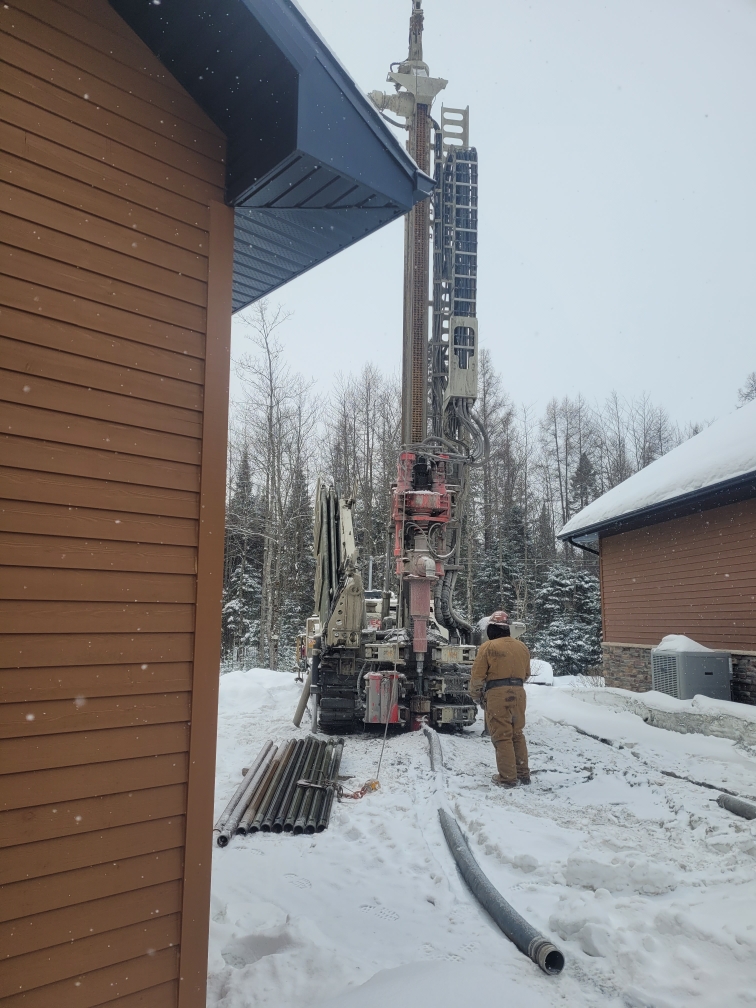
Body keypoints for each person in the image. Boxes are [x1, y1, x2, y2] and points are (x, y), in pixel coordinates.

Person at [470, 611, 531, 788]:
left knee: (502, 736)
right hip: (519, 694)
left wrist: (476, 695)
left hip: (497, 694)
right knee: (517, 734)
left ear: (491, 629)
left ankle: (507, 778)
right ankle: (523, 774)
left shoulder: (488, 647)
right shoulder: (522, 647)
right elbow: (526, 674)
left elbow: (478, 676)